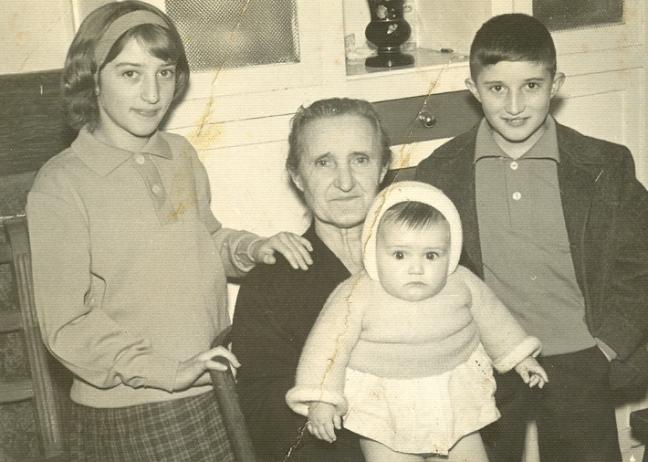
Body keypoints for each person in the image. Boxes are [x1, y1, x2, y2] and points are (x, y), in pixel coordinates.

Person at [26, 2, 313, 460]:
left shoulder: (179, 154)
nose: (152, 93)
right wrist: (165, 370)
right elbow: (67, 323)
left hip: (212, 382)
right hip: (136, 407)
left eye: (164, 72)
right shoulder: (62, 183)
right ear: (92, 79)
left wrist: (254, 248)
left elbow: (205, 239)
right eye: (130, 74)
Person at [415, 13, 648, 462]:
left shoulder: (604, 165)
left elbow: (640, 263)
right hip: (487, 363)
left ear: (555, 84)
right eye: (497, 88)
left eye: (532, 86)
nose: (514, 105)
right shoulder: (441, 173)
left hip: (582, 357)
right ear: (472, 88)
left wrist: (607, 347)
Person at [286, 181, 548, 462]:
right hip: (384, 404)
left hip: (453, 396)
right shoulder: (356, 294)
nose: (416, 268)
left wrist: (520, 357)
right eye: (400, 254)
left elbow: (493, 318)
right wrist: (322, 398)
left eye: (431, 255)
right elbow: (326, 348)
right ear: (372, 250)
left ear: (451, 252)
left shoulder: (461, 282)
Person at [230, 97, 392, 461]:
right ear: (297, 176)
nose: (345, 182)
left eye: (360, 159)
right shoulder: (270, 285)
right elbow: (264, 415)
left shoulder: (430, 250)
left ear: (383, 168)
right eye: (324, 162)